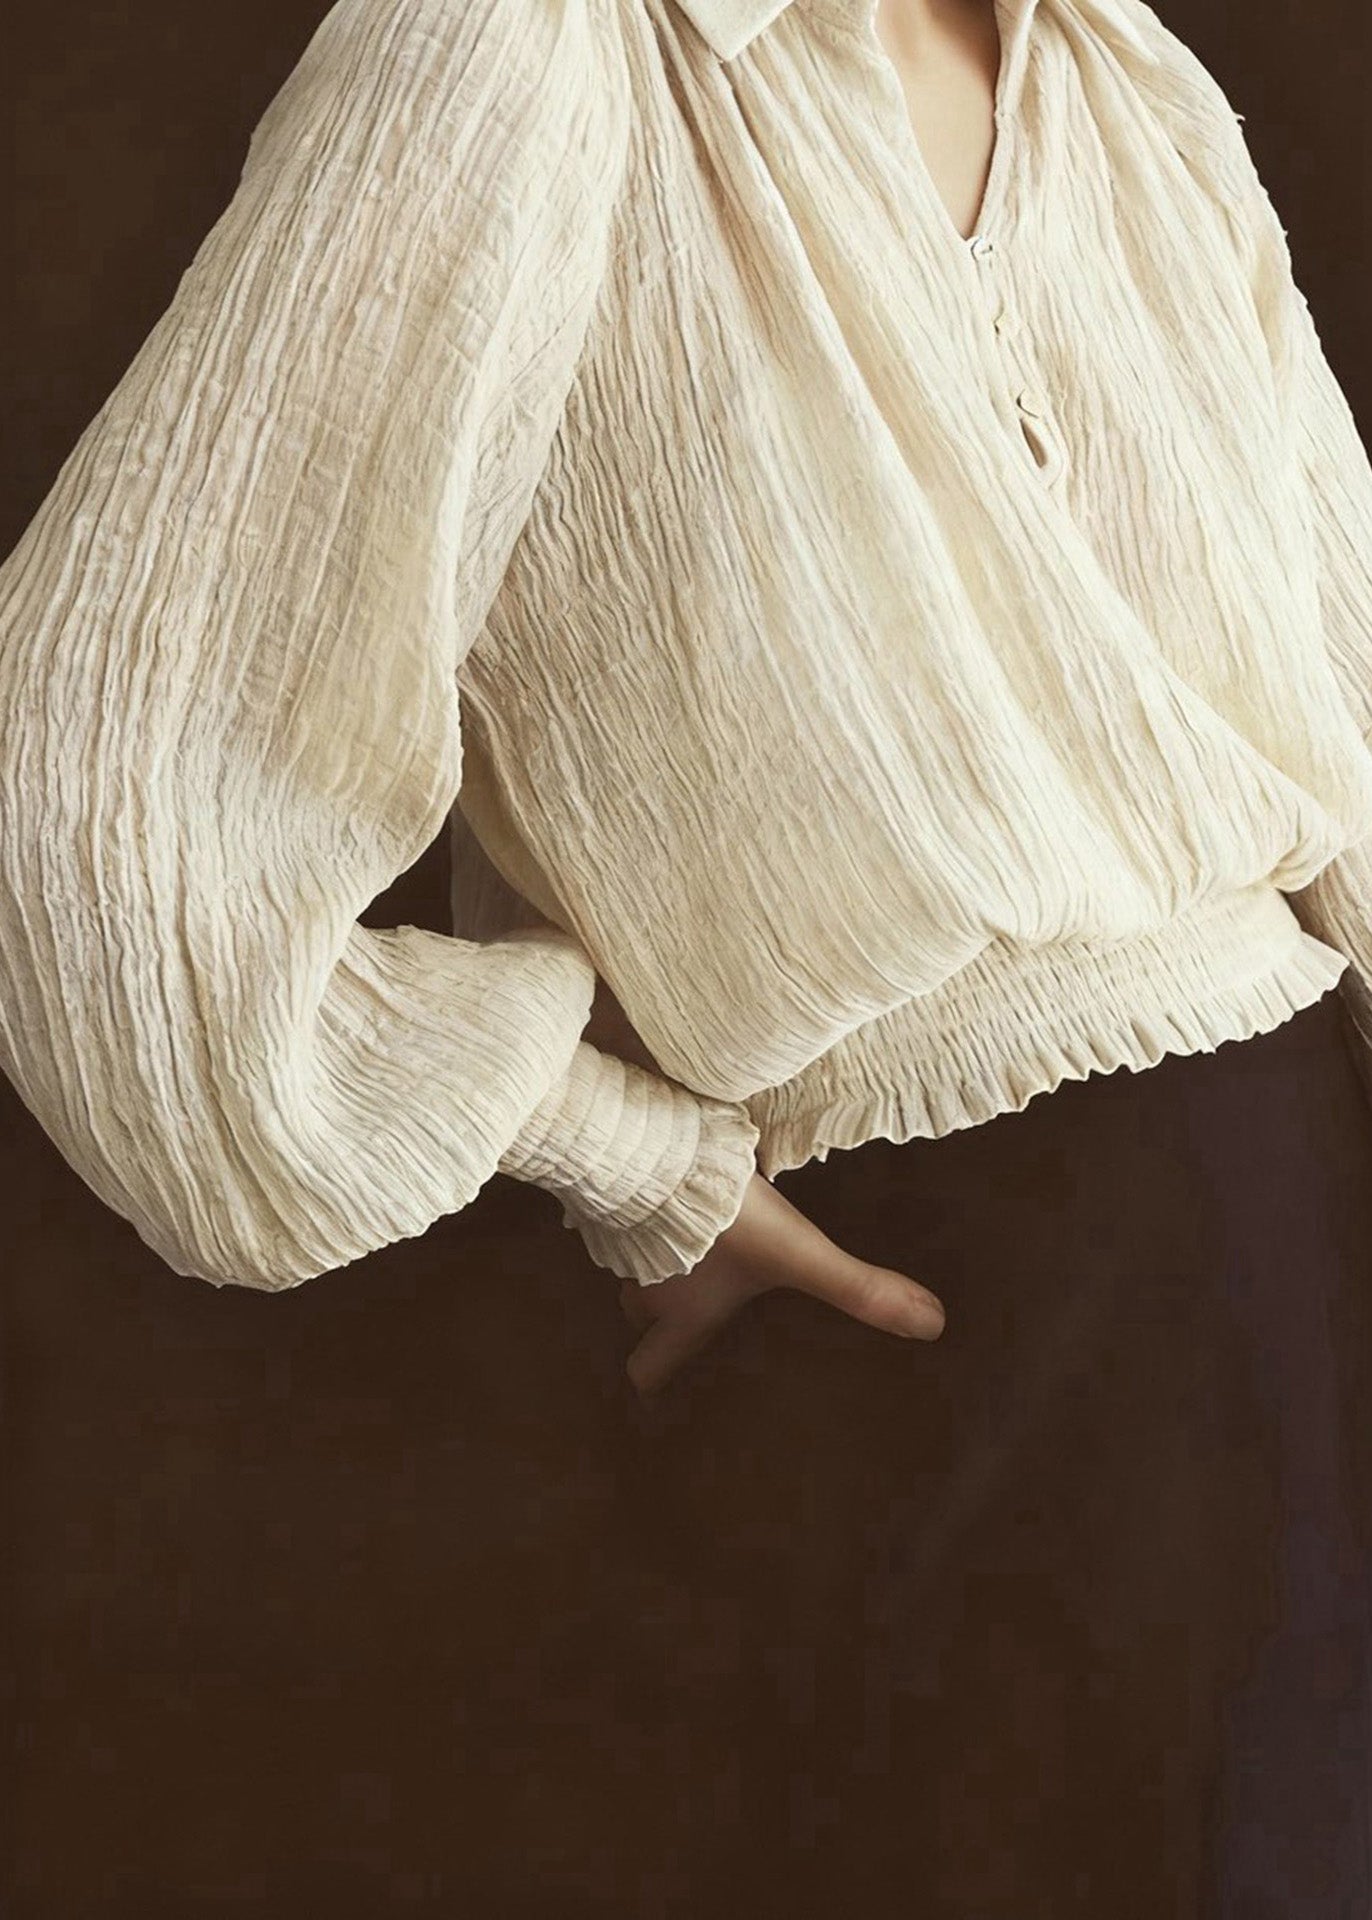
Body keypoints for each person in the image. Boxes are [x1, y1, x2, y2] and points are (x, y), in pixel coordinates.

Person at [2, 0, 1371, 1905]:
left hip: (1300, 1215)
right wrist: (630, 1154)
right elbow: (94, 790)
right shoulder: (522, 53)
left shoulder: (1119, 73)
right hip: (977, 1303)